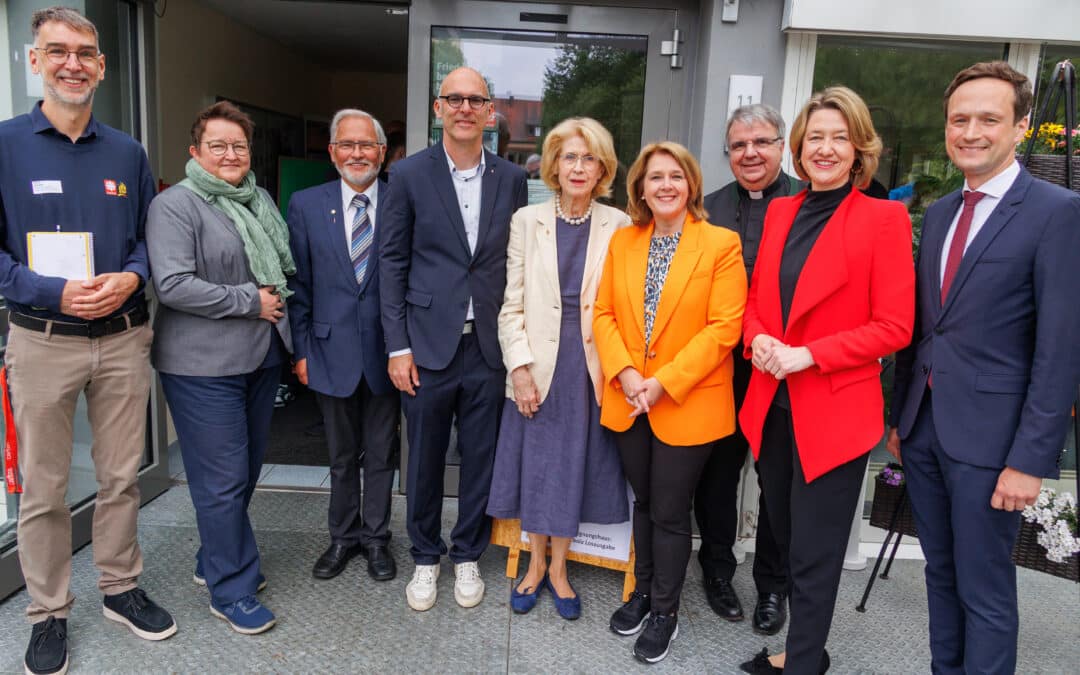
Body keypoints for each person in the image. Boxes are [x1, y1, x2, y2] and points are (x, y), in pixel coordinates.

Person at [888, 61, 1080, 675]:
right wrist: (900, 420)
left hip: (994, 446)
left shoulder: (1056, 212)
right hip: (924, 431)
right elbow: (924, 331)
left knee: (986, 591)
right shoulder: (941, 211)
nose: (971, 131)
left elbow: (1060, 349)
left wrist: (1029, 460)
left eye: (988, 119)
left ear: (1020, 127)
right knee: (940, 576)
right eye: (959, 119)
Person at [0, 8, 176, 674]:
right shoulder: (5, 144)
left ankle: (120, 585)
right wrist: (53, 292)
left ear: (102, 66)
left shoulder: (126, 151)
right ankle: (48, 612)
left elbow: (144, 242)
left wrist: (132, 277)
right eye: (58, 51)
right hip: (43, 338)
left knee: (120, 475)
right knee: (44, 488)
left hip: (123, 337)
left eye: (85, 52)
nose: (73, 62)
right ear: (34, 61)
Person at [736, 86, 914, 675]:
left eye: (840, 137)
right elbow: (757, 302)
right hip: (774, 406)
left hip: (832, 411)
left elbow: (894, 326)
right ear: (799, 146)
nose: (827, 148)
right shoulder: (783, 209)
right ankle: (804, 643)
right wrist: (758, 337)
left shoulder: (884, 218)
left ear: (860, 147)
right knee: (786, 538)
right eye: (816, 137)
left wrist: (809, 355)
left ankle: (805, 660)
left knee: (816, 551)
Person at [379, 66, 528, 611]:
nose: (465, 108)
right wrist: (398, 347)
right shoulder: (410, 175)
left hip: (487, 347)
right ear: (438, 109)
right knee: (423, 459)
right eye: (454, 99)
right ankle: (424, 557)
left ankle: (467, 553)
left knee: (481, 457)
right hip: (425, 346)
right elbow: (390, 262)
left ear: (491, 113)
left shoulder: (511, 180)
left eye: (476, 100)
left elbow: (516, 263)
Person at [595, 141, 747, 664]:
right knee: (644, 501)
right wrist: (629, 373)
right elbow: (602, 315)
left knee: (670, 508)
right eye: (654, 176)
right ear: (639, 187)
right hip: (629, 395)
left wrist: (662, 383)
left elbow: (724, 329)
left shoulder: (721, 244)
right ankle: (641, 592)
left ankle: (665, 611)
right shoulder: (624, 242)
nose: (665, 185)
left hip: (687, 399)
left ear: (691, 186)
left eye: (675, 176)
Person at [147, 100, 294, 635]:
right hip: (200, 365)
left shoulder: (256, 201)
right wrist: (249, 301)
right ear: (195, 151)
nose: (230, 155)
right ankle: (230, 589)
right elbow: (173, 284)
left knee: (246, 470)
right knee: (223, 480)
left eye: (238, 146)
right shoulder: (176, 207)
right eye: (218, 145)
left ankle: (213, 557)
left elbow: (278, 270)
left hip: (258, 357)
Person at [486, 117, 631, 619]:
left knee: (574, 466)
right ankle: (534, 562)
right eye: (569, 156)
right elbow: (511, 306)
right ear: (552, 164)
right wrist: (519, 369)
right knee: (539, 466)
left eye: (588, 158)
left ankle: (559, 569)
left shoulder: (621, 224)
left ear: (602, 168)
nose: (578, 166)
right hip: (537, 362)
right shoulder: (528, 220)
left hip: (590, 364)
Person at [695, 103, 798, 633]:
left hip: (786, 369)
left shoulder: (809, 203)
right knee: (717, 475)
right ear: (728, 153)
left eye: (761, 142)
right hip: (723, 369)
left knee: (777, 480)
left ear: (782, 145)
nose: (750, 153)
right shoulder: (706, 207)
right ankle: (715, 569)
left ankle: (773, 586)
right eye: (738, 145)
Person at [287, 108, 400, 583]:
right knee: (338, 455)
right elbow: (298, 285)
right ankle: (342, 538)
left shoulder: (401, 202)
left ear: (382, 153)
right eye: (347, 145)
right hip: (328, 351)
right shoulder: (305, 205)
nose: (358, 154)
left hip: (387, 355)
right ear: (332, 152)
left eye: (366, 145)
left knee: (381, 452)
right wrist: (300, 351)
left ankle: (376, 539)